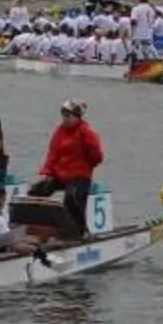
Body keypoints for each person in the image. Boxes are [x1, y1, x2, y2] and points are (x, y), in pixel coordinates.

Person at [27, 98, 104, 239]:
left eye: (68, 116)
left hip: (79, 175)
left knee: (72, 197)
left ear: (77, 117)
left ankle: (82, 231)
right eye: (63, 116)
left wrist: (87, 166)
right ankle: (38, 228)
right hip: (60, 175)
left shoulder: (86, 132)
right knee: (35, 191)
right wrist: (46, 173)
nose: (65, 119)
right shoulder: (60, 131)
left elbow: (97, 156)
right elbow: (52, 154)